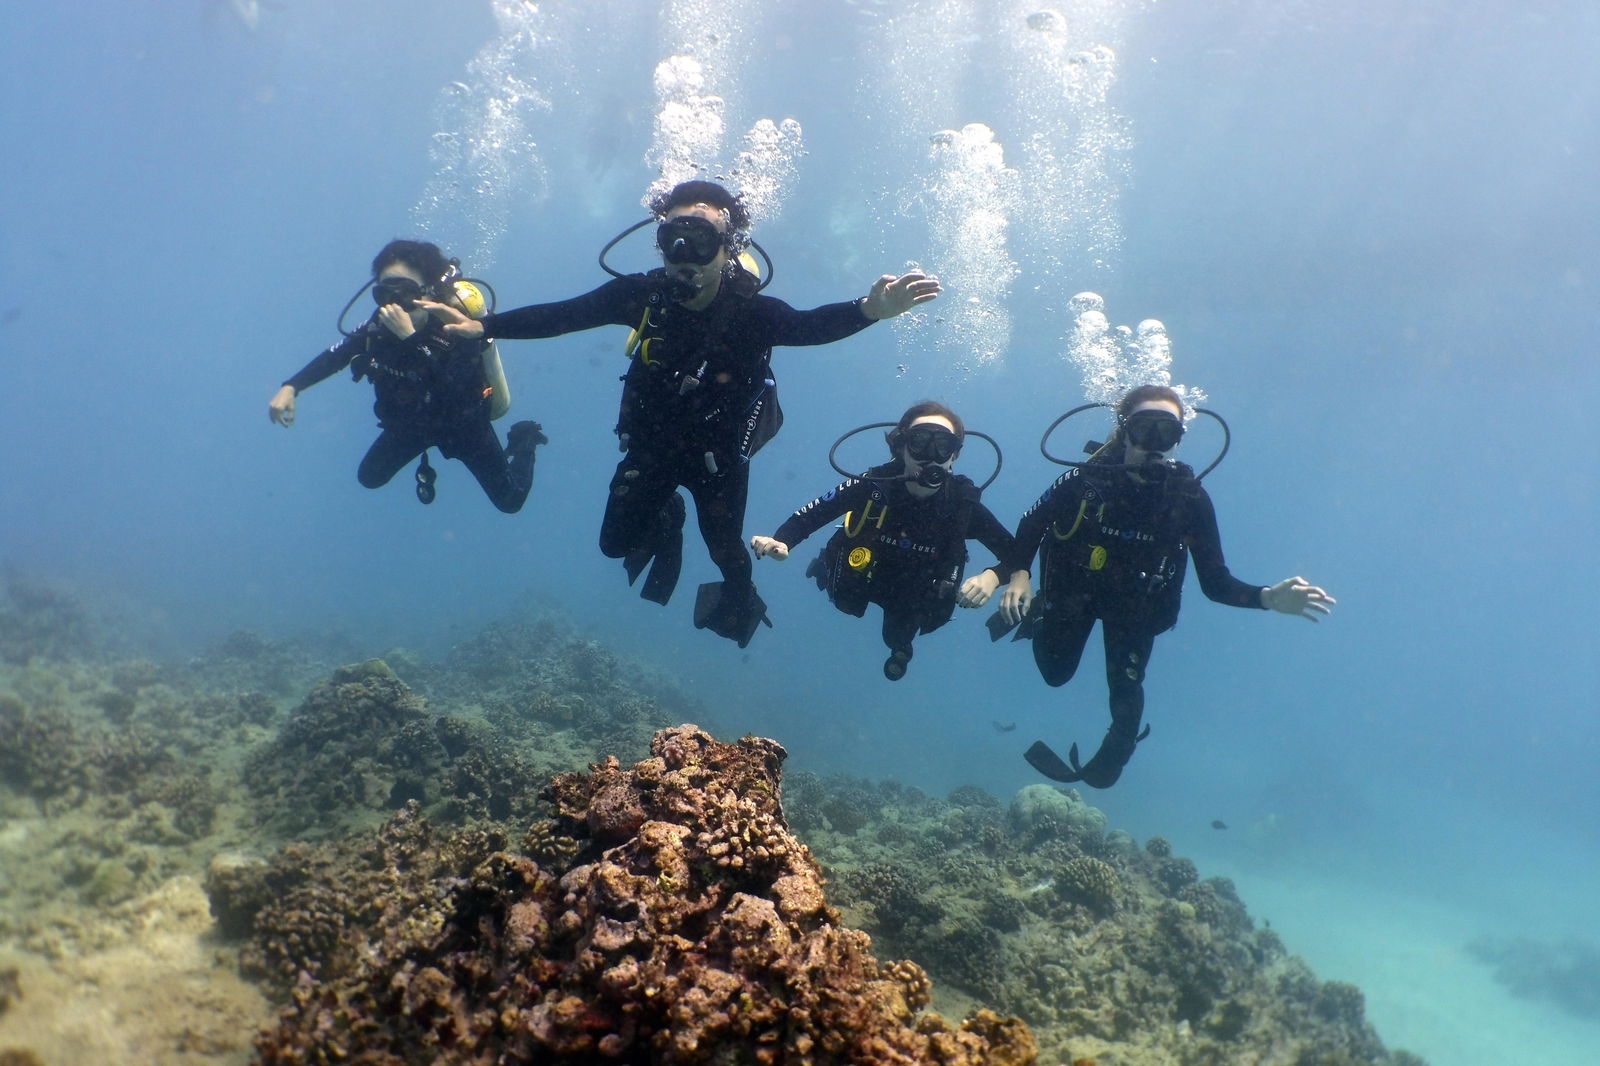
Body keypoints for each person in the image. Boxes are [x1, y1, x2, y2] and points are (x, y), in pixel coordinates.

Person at [422, 181, 940, 646]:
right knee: (612, 547)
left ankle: (739, 597)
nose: (683, 254)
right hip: (652, 448)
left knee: (728, 557)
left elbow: (809, 326)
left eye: (702, 240)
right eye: (673, 238)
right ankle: (667, 513)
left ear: (729, 248)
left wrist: (871, 311)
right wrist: (484, 327)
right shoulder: (642, 296)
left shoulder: (753, 313)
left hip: (719, 459)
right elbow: (564, 315)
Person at [990, 384, 1335, 788]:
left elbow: (1216, 582)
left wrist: (1266, 598)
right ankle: (1041, 614)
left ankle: (1103, 767)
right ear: (1123, 431)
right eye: (1143, 429)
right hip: (1072, 595)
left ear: (1178, 440)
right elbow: (1031, 525)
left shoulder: (1189, 501)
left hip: (1135, 609)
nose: (1154, 444)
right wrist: (1021, 576)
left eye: (1166, 433)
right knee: (1055, 674)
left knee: (1126, 713)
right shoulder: (1085, 482)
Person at [269, 239, 546, 512]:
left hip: (464, 427)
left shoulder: (458, 326)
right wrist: (291, 387)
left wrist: (411, 339)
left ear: (430, 292)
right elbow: (336, 356)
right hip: (413, 425)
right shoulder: (379, 325)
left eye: (403, 293)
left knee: (511, 501)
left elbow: (456, 395)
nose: (393, 306)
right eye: (384, 294)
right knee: (369, 477)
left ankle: (525, 439)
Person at [750, 402, 1018, 680]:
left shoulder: (962, 504)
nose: (931, 456)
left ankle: (901, 648)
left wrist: (993, 577)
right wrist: (782, 541)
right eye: (920, 441)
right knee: (842, 598)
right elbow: (814, 513)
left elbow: (1016, 554)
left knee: (898, 637)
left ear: (954, 456)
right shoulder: (874, 484)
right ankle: (823, 566)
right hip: (860, 575)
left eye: (943, 446)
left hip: (913, 592)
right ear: (901, 446)